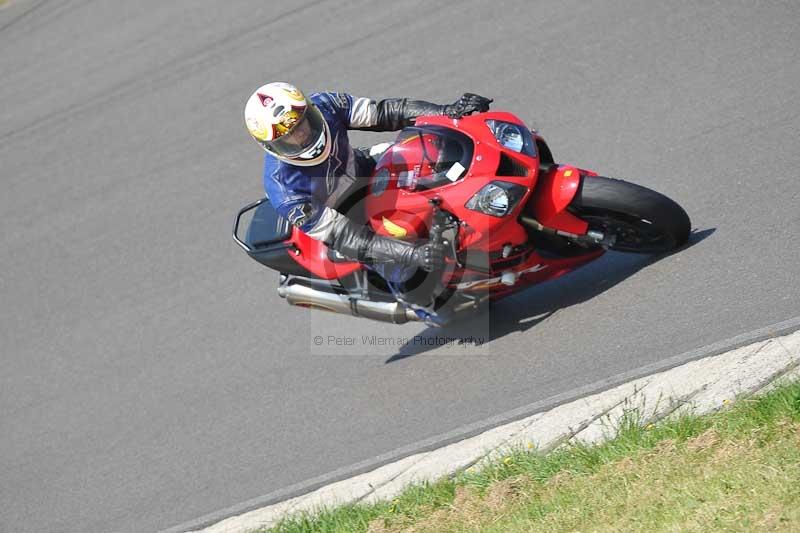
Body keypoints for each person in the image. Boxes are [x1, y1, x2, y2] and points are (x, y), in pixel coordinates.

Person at [243, 82, 491, 278]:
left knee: (437, 148)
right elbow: (346, 237)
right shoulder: (285, 190)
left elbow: (384, 112)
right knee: (408, 273)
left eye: (302, 123)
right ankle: (434, 307)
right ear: (272, 146)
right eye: (290, 136)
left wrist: (446, 112)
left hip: (368, 167)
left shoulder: (326, 104)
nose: (302, 134)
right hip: (348, 215)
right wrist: (413, 254)